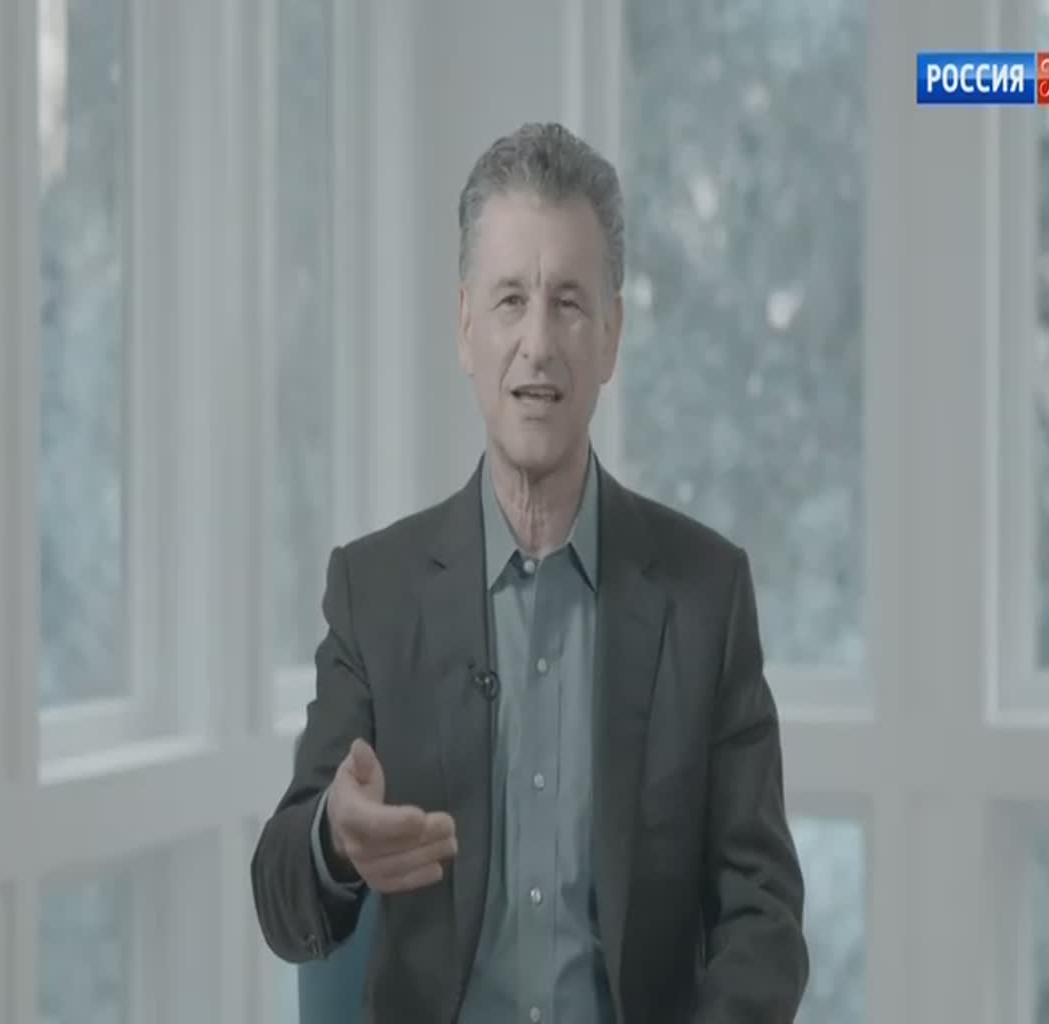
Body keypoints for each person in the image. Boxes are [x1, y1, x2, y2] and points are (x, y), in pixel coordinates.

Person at [252, 121, 808, 1023]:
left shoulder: (707, 597)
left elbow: (765, 916)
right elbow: (282, 899)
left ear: (612, 336)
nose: (538, 344)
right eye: (510, 300)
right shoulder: (374, 592)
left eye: (569, 303)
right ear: (466, 326)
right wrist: (333, 840)